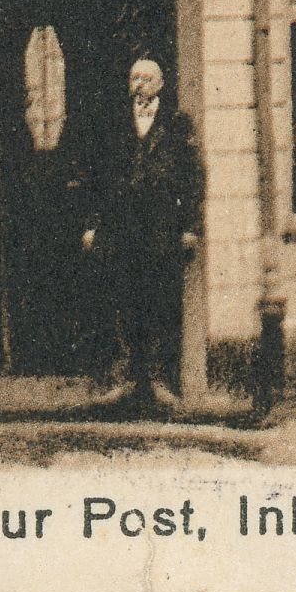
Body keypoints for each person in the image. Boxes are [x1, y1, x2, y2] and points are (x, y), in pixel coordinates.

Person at [81, 54, 204, 416]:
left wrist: (190, 227)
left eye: (146, 79)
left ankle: (160, 380)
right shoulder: (114, 125)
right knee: (121, 302)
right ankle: (123, 379)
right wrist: (92, 225)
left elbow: (193, 179)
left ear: (161, 85)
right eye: (134, 78)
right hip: (121, 229)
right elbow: (96, 179)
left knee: (160, 303)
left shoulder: (177, 124)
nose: (139, 85)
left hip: (161, 229)